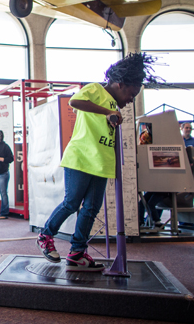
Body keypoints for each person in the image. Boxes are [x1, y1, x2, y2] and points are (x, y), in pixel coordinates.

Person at [36, 52, 162, 272]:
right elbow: (75, 101)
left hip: (102, 162)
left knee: (92, 208)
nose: (131, 100)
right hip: (81, 157)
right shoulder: (96, 90)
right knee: (72, 203)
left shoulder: (115, 105)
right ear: (120, 84)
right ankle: (46, 236)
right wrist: (107, 112)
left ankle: (77, 252)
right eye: (131, 94)